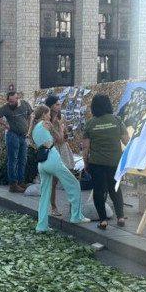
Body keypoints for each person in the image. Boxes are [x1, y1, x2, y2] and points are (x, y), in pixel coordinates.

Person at [31, 105, 87, 232]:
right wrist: (61, 127)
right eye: (49, 113)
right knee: (74, 184)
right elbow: (60, 139)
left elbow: (31, 137)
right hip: (52, 159)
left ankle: (41, 226)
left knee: (45, 195)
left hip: (42, 163)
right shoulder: (46, 123)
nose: (50, 116)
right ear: (44, 114)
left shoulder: (34, 128)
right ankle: (76, 216)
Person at [82, 93, 129, 230]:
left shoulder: (90, 123)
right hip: (115, 162)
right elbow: (126, 141)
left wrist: (86, 163)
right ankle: (120, 217)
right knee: (115, 188)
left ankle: (103, 220)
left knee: (98, 190)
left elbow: (86, 147)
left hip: (96, 163)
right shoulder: (117, 120)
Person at [0, 91, 32, 193]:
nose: (11, 103)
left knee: (23, 159)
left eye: (13, 101)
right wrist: (4, 123)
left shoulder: (25, 104)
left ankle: (21, 181)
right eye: (9, 101)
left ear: (18, 99)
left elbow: (31, 115)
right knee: (13, 160)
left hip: (23, 136)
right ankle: (13, 184)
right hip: (13, 135)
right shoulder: (6, 107)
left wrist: (29, 129)